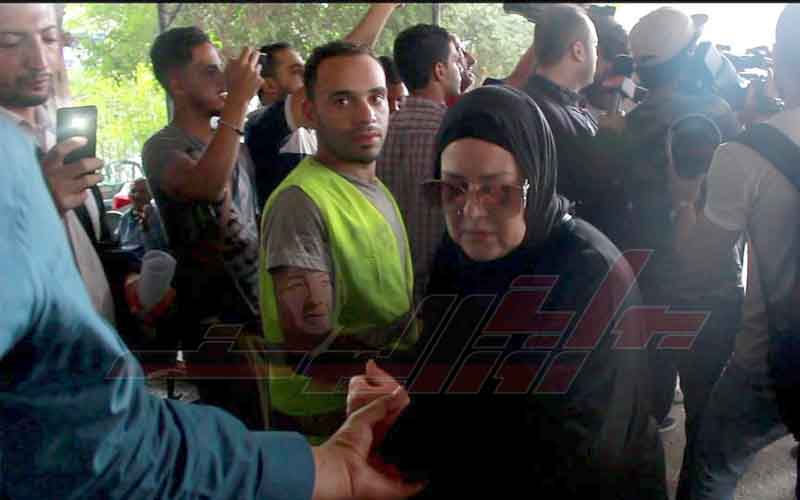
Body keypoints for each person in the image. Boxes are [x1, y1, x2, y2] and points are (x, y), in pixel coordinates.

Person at [0, 109, 423, 500]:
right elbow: (95, 447)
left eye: (376, 97)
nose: (367, 114)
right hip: (223, 338)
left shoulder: (27, 155)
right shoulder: (175, 152)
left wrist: (319, 470)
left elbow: (122, 442)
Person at [348, 85, 667, 499]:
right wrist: (397, 395)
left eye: (498, 191)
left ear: (537, 181)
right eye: (453, 189)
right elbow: (446, 366)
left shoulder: (588, 277)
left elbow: (580, 449)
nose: (471, 212)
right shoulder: (457, 254)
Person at [259, 41, 418, 443]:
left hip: (377, 404)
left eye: (376, 98)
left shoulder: (375, 188)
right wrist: (415, 365)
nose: (367, 115)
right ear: (310, 112)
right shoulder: (301, 201)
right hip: (327, 424)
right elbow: (309, 346)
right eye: (343, 101)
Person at [671, 5, 800, 499]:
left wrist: (686, 198)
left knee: (712, 468)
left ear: (778, 62)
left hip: (771, 362)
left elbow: (700, 259)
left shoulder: (745, 153)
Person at [622, 7, 745, 483]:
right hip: (710, 290)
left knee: (644, 415)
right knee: (706, 420)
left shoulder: (629, 125)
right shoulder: (719, 116)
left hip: (648, 289)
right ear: (691, 56)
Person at [141, 26, 264, 424]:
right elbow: (205, 186)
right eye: (210, 71)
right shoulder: (162, 146)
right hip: (214, 327)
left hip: (258, 311)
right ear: (177, 84)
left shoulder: (234, 144)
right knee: (237, 430)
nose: (223, 79)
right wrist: (238, 102)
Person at [0, 3, 115, 324]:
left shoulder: (60, 136)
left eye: (49, 38)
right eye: (10, 42)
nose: (39, 61)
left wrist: (129, 280)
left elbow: (93, 241)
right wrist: (43, 205)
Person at [245, 4, 402, 209]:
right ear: (269, 85)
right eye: (297, 72)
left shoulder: (314, 131)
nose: (307, 78)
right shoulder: (261, 126)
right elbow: (340, 66)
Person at [520, 4, 624, 239]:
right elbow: (591, 189)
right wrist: (610, 138)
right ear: (578, 50)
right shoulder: (545, 114)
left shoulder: (535, 102)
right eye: (595, 46)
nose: (597, 55)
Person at [376, 24, 461, 303]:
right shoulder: (453, 134)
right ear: (439, 70)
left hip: (386, 286)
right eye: (456, 61)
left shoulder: (379, 133)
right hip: (439, 290)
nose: (460, 69)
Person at [116, 178, 169, 261]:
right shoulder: (125, 217)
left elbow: (160, 250)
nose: (136, 195)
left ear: (151, 195)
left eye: (142, 192)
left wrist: (145, 225)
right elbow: (118, 244)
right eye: (133, 191)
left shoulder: (159, 216)